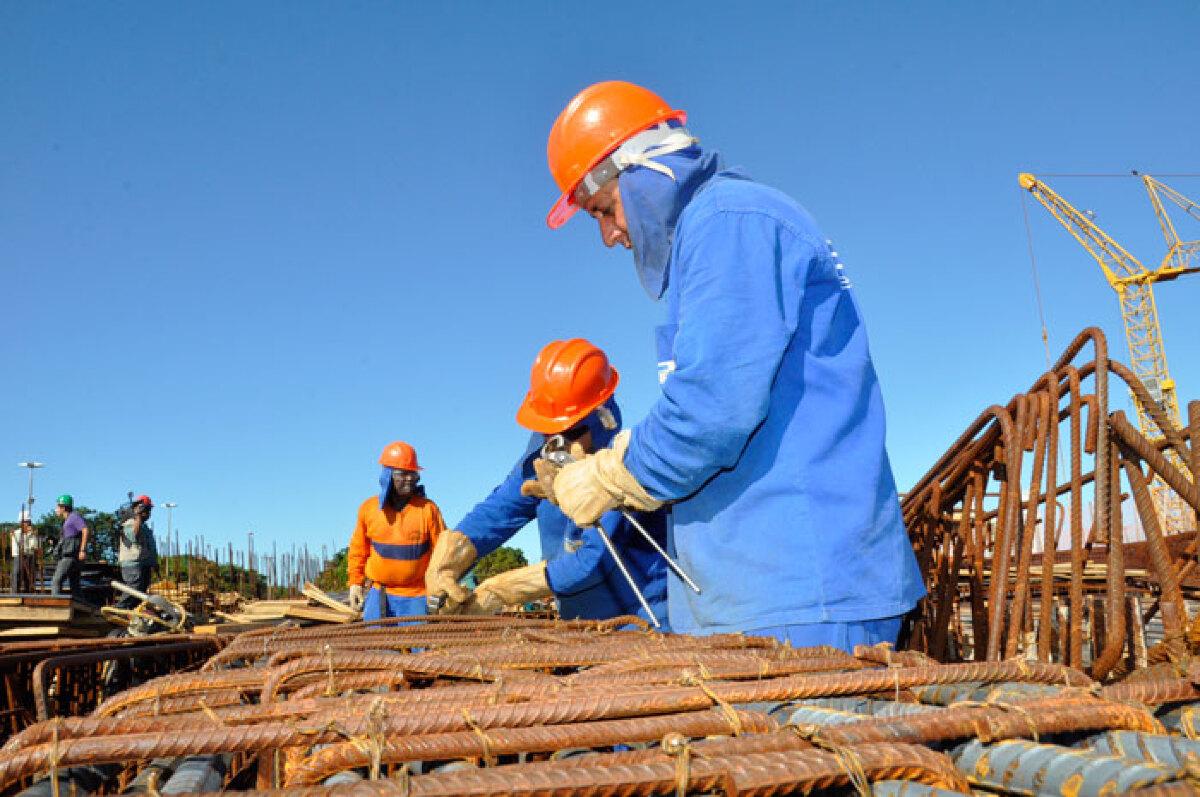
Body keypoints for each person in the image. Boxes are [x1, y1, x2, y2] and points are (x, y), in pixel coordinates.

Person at [537, 81, 925, 650]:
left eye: (604, 209)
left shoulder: (730, 223)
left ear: (639, 172)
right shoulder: (718, 234)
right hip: (763, 600)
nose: (608, 235)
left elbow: (710, 410)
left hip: (802, 599)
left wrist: (608, 475)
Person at [425, 339, 669, 628]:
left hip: (639, 620)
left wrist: (500, 591)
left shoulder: (622, 470)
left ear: (602, 418)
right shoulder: (549, 454)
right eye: (547, 433)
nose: (555, 447)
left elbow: (591, 560)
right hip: (577, 623)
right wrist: (453, 552)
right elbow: (503, 506)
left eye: (566, 433)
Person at [347, 441, 446, 621]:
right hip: (380, 594)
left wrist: (439, 589)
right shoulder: (369, 509)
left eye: (412, 474)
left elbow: (443, 554)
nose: (409, 478)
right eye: (403, 473)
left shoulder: (428, 510)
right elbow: (358, 550)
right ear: (388, 476)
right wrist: (355, 583)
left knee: (421, 647)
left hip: (417, 595)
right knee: (376, 646)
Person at [117, 495, 158, 608]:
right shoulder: (130, 523)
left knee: (140, 594)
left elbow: (150, 547)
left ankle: (132, 615)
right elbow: (134, 536)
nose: (148, 513)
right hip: (132, 564)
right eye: (146, 509)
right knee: (133, 588)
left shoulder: (144, 526)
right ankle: (119, 609)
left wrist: (154, 563)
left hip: (144, 564)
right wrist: (138, 516)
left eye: (149, 510)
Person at [51, 494, 89, 600]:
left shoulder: (74, 517)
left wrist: (82, 550)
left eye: (57, 507)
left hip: (70, 557)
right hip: (73, 557)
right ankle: (83, 610)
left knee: (56, 581)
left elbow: (85, 530)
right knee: (75, 586)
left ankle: (56, 606)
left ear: (63, 507)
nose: (56, 509)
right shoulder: (67, 521)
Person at [10, 508, 39, 593]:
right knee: (17, 574)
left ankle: (29, 593)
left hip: (30, 556)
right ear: (21, 523)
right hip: (19, 556)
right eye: (26, 522)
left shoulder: (32, 533)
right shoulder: (16, 533)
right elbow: (19, 545)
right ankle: (14, 594)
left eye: (29, 522)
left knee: (29, 576)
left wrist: (31, 534)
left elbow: (34, 546)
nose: (28, 524)